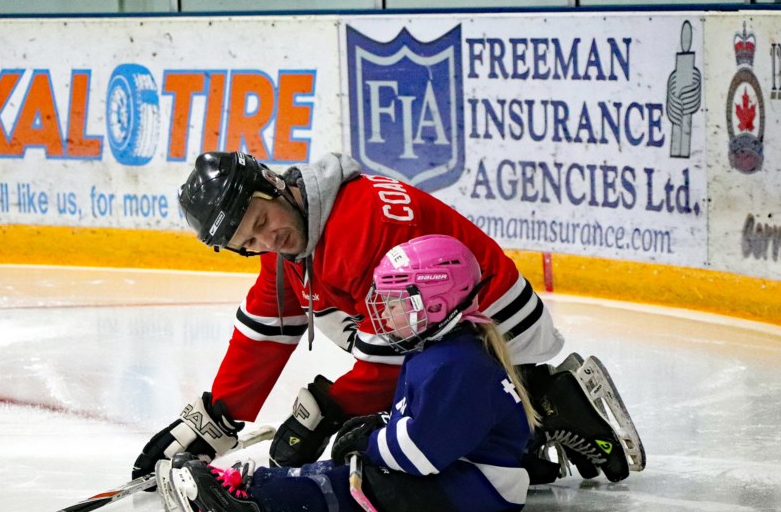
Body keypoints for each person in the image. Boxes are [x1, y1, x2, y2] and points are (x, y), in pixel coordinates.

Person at [131, 151, 644, 487]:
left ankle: (544, 396)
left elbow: (386, 360)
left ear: (274, 186)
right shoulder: (299, 235)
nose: (267, 242)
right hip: (444, 325)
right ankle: (515, 424)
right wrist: (217, 417)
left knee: (405, 440)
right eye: (248, 243)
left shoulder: (360, 223)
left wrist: (328, 409)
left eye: (263, 223)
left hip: (493, 327)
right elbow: (268, 327)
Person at [167, 235, 544, 512]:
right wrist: (375, 430)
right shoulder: (439, 351)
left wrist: (370, 442)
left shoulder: (455, 365)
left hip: (478, 487)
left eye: (396, 302)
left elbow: (420, 455)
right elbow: (419, 422)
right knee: (346, 469)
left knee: (353, 483)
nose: (383, 311)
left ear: (437, 303)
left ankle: (242, 508)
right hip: (466, 475)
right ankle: (246, 488)